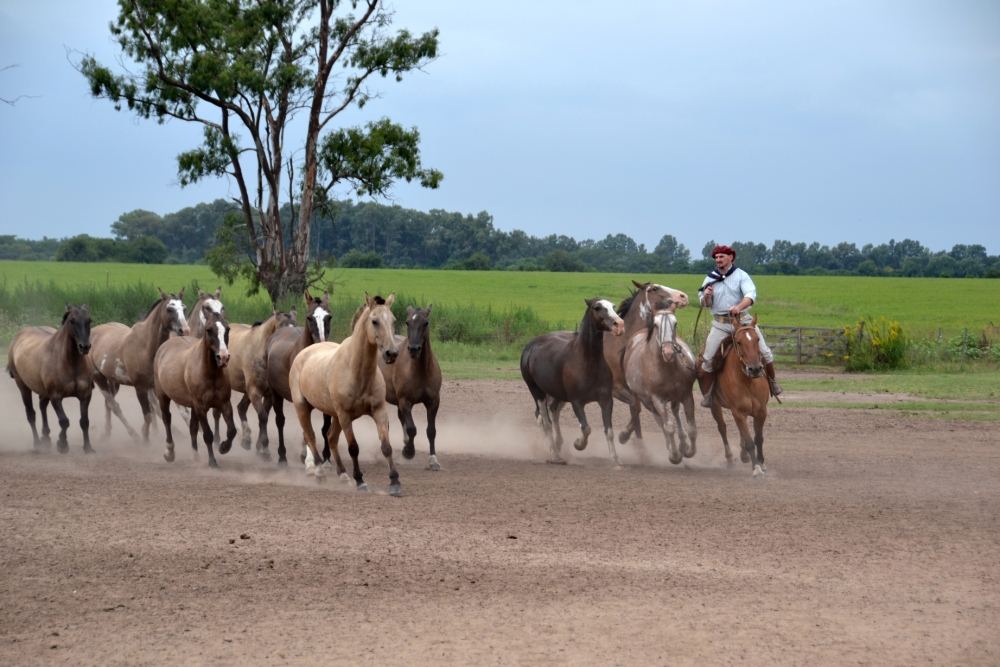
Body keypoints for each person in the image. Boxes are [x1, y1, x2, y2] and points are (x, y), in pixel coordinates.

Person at [697, 244, 782, 407]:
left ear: (731, 257)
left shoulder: (741, 276)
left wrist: (739, 307)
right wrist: (706, 297)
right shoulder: (710, 278)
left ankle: (772, 382)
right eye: (716, 257)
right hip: (721, 324)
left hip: (743, 322)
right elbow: (705, 303)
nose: (718, 260)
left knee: (765, 352)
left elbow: (750, 296)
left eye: (722, 256)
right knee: (707, 359)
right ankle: (708, 394)